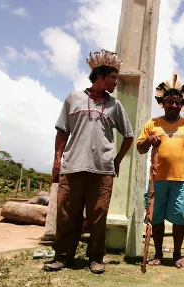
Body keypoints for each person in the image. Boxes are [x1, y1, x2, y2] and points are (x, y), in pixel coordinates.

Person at [43, 49, 134, 274]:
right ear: (101, 75)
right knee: (67, 214)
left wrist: (117, 160)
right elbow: (62, 131)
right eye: (113, 78)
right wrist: (57, 161)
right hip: (72, 166)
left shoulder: (115, 106)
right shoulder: (73, 98)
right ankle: (63, 257)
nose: (116, 82)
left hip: (102, 170)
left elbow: (129, 135)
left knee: (98, 215)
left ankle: (95, 258)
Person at [137, 74, 184, 269]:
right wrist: (149, 140)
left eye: (178, 103)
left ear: (182, 105)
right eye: (170, 102)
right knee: (155, 218)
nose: (174, 106)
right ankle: (158, 254)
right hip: (157, 179)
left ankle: (176, 255)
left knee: (179, 218)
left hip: (180, 180)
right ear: (163, 103)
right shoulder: (152, 124)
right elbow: (140, 147)